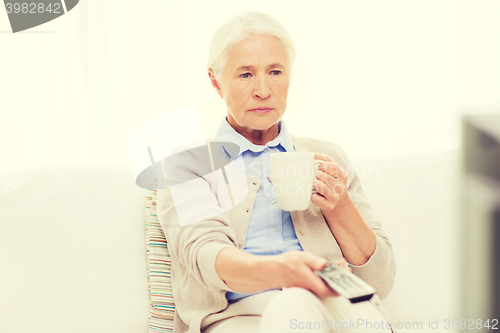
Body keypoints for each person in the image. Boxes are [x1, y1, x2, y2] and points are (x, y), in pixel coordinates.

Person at [157, 11, 396, 333]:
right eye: (245, 74)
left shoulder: (328, 157)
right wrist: (284, 272)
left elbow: (379, 281)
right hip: (237, 315)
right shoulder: (191, 164)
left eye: (275, 71)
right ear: (216, 82)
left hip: (337, 306)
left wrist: (340, 207)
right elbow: (205, 256)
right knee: (292, 304)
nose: (263, 90)